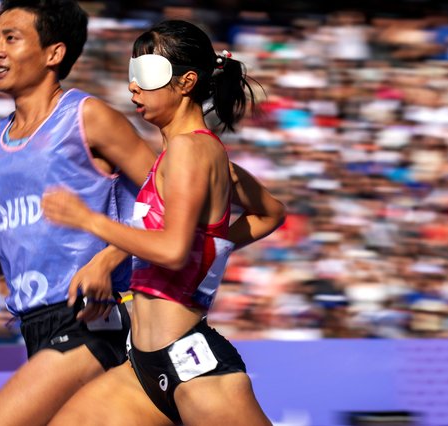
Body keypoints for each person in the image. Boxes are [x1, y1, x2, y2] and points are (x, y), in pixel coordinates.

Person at [0, 0, 157, 424]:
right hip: (34, 327)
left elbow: (171, 201)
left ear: (54, 54)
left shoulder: (87, 117)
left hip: (96, 318)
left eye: (11, 38)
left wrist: (109, 258)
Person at [42, 20, 285, 426]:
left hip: (194, 369)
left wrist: (89, 221)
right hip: (142, 367)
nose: (133, 87)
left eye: (147, 75)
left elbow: (172, 251)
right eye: (132, 74)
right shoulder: (200, 154)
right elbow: (270, 213)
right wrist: (208, 248)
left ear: (187, 82)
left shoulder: (190, 150)